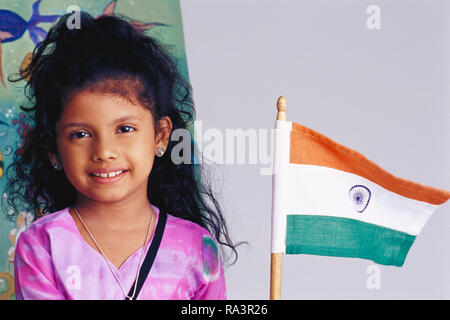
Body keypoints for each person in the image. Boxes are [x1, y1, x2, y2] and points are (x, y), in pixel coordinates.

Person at [5, 11, 238, 300]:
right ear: (54, 151)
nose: (104, 152)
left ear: (161, 136)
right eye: (80, 134)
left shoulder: (198, 247)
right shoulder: (42, 246)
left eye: (124, 128)